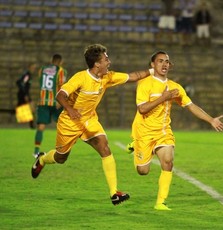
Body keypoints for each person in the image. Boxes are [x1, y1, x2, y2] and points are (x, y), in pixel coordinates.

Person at [31, 44, 154, 205]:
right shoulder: (80, 77)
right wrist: (70, 109)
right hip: (70, 122)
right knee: (61, 158)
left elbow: (134, 76)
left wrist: (153, 71)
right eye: (106, 59)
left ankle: (114, 193)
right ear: (97, 64)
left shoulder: (107, 77)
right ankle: (42, 160)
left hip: (89, 120)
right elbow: (61, 95)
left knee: (105, 147)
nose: (109, 61)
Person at [129, 51, 223, 210]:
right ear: (152, 65)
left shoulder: (175, 87)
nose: (164, 64)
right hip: (144, 131)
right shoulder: (144, 83)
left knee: (168, 161)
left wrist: (211, 120)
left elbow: (191, 106)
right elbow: (142, 109)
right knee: (143, 170)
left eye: (167, 61)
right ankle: (135, 144)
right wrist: (164, 97)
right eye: (160, 61)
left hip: (163, 131)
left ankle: (160, 202)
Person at [33, 54, 67, 158]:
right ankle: (63, 149)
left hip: (43, 101)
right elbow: (62, 86)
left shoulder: (42, 69)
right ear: (60, 62)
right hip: (55, 102)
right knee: (62, 125)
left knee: (41, 126)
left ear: (51, 60)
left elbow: (41, 83)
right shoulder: (61, 71)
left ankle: (36, 152)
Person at [16, 63, 37, 129]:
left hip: (24, 93)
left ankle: (32, 124)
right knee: (31, 108)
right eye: (33, 68)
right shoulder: (27, 75)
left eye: (34, 68)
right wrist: (25, 95)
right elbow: (21, 83)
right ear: (29, 67)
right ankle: (32, 125)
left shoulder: (28, 75)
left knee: (31, 108)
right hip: (23, 94)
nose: (34, 69)